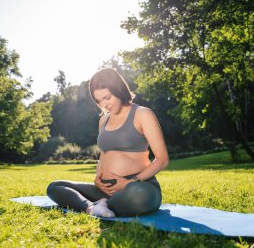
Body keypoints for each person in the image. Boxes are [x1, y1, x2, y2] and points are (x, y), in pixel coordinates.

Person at [47, 68, 169, 217]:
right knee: (55, 187)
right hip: (105, 189)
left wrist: (130, 182)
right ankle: (93, 208)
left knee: (138, 195)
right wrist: (98, 178)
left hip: (138, 186)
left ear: (118, 90)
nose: (104, 104)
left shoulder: (142, 114)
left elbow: (162, 160)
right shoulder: (103, 120)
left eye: (107, 97)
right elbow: (104, 154)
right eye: (99, 101)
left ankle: (102, 204)